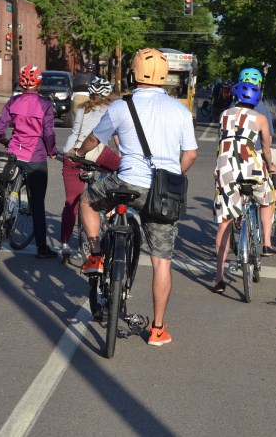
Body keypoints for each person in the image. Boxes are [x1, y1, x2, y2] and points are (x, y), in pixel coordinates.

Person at [76, 48, 198, 346]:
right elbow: (191, 154)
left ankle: (94, 254)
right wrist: (171, 177)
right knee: (161, 263)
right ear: (165, 76)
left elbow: (95, 139)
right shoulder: (181, 110)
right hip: (161, 194)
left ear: (133, 73)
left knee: (88, 201)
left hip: (126, 182)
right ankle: (157, 329)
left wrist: (78, 153)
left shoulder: (120, 107)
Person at [213, 81, 276, 294]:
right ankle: (266, 241)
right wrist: (271, 167)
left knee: (225, 223)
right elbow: (266, 148)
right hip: (251, 168)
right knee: (267, 197)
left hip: (225, 168)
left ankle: (219, 278)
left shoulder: (224, 115)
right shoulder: (260, 118)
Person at [0, 65, 59, 259]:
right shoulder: (45, 104)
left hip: (14, 153)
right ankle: (41, 248)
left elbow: (0, 127)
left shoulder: (13, 101)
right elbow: (48, 132)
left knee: (4, 190)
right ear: (38, 83)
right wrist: (52, 151)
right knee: (37, 203)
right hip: (35, 156)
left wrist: (4, 140)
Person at [59, 77, 120, 262]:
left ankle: (64, 245)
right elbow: (117, 139)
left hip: (72, 153)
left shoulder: (81, 109)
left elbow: (77, 131)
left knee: (71, 202)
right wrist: (121, 154)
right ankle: (109, 209)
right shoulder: (112, 110)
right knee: (122, 171)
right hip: (95, 153)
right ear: (107, 94)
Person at [239, 67, 276, 256]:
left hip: (234, 158)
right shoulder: (261, 108)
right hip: (257, 155)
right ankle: (266, 241)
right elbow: (268, 143)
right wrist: (270, 165)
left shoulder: (229, 109)